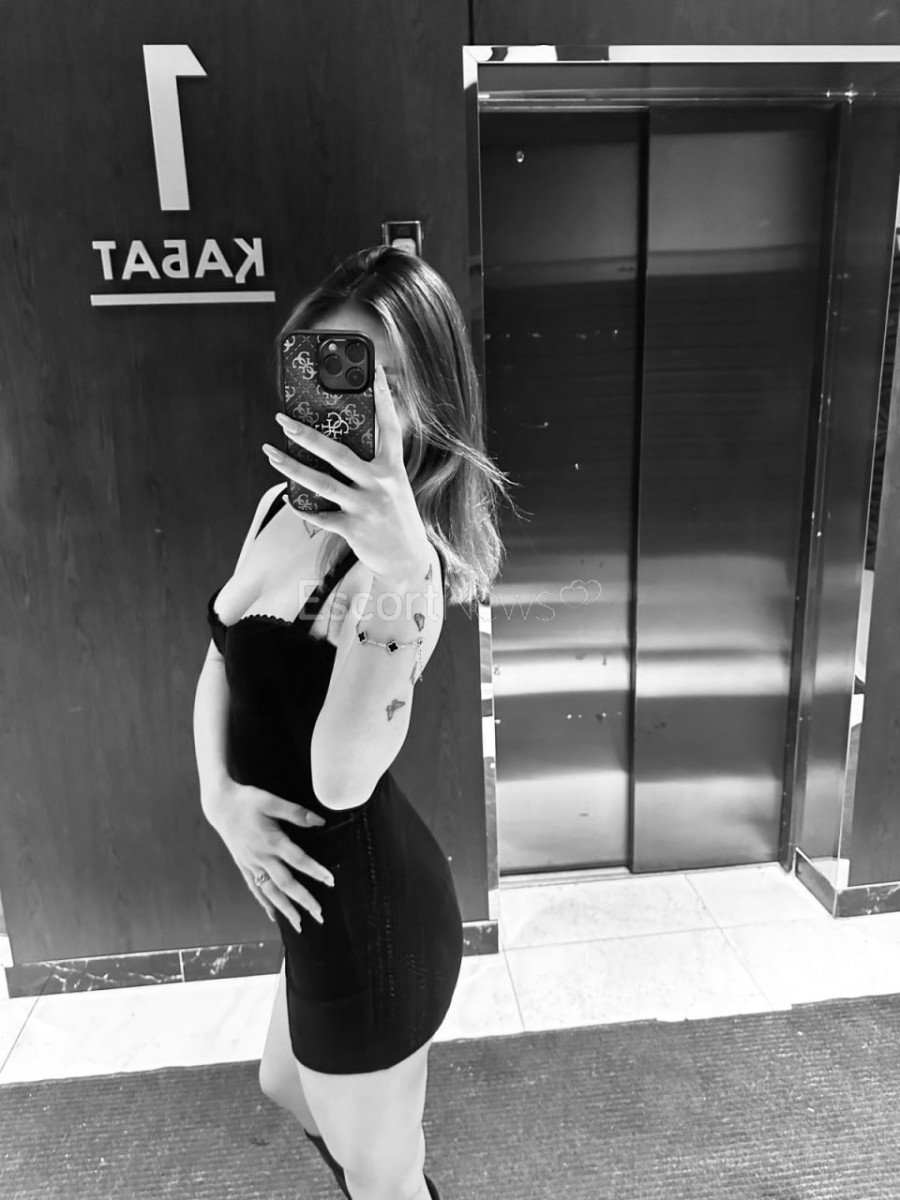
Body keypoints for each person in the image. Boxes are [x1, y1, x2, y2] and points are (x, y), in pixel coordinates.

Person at [192, 245, 516, 1200]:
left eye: (395, 384)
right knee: (282, 1087)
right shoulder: (276, 507)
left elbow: (338, 777)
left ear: (432, 404)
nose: (367, 407)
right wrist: (220, 801)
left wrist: (400, 568)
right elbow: (220, 656)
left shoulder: (407, 576)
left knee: (383, 1174)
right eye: (340, 371)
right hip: (312, 902)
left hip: (365, 919)